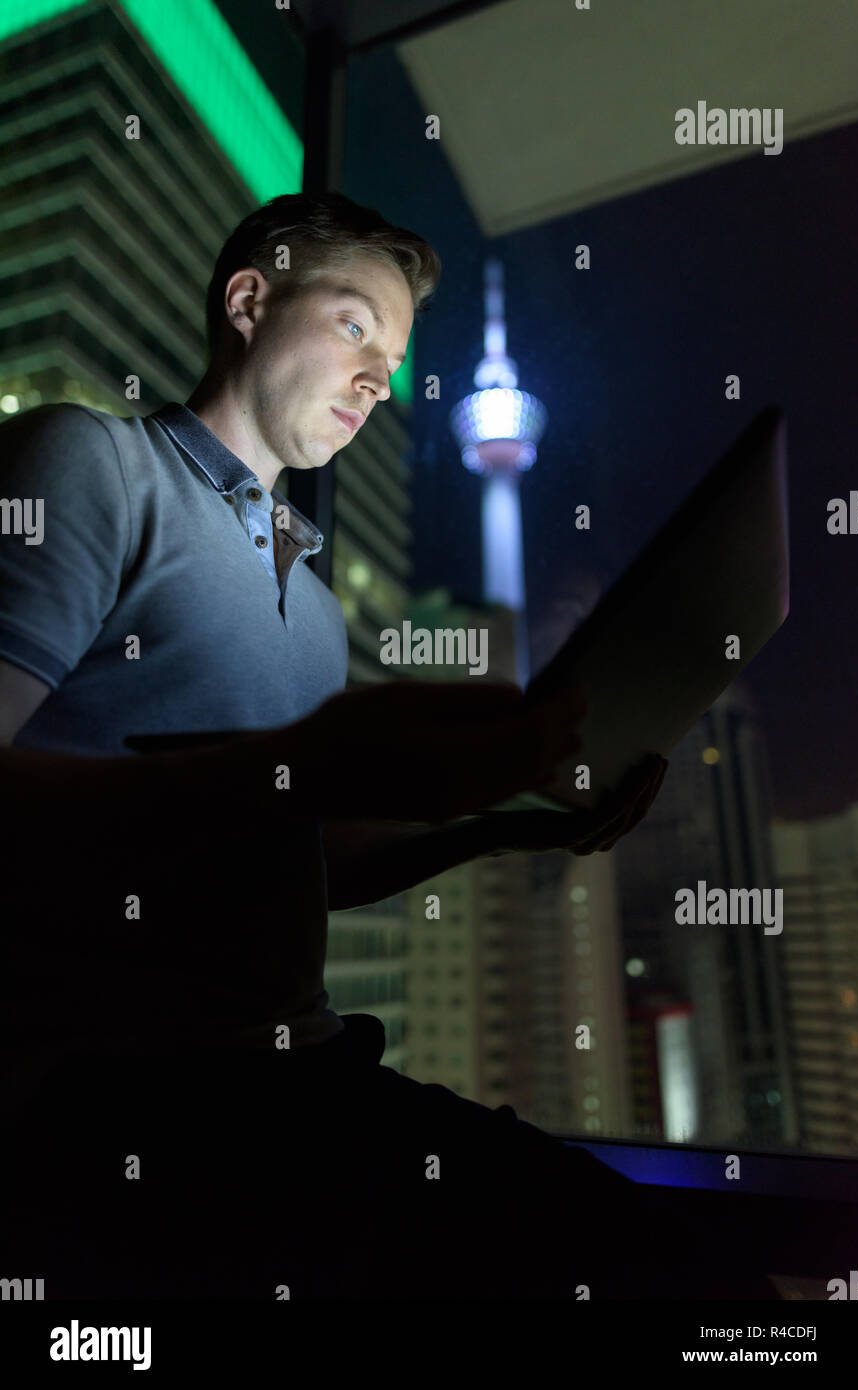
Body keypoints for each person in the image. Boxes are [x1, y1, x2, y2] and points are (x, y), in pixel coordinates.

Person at [0, 192, 772, 1300]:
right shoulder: (91, 466)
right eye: (357, 324)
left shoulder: (314, 610)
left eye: (398, 357)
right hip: (113, 1097)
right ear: (250, 301)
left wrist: (503, 826)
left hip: (299, 1077)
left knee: (688, 1273)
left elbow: (299, 859)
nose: (381, 378)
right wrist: (307, 762)